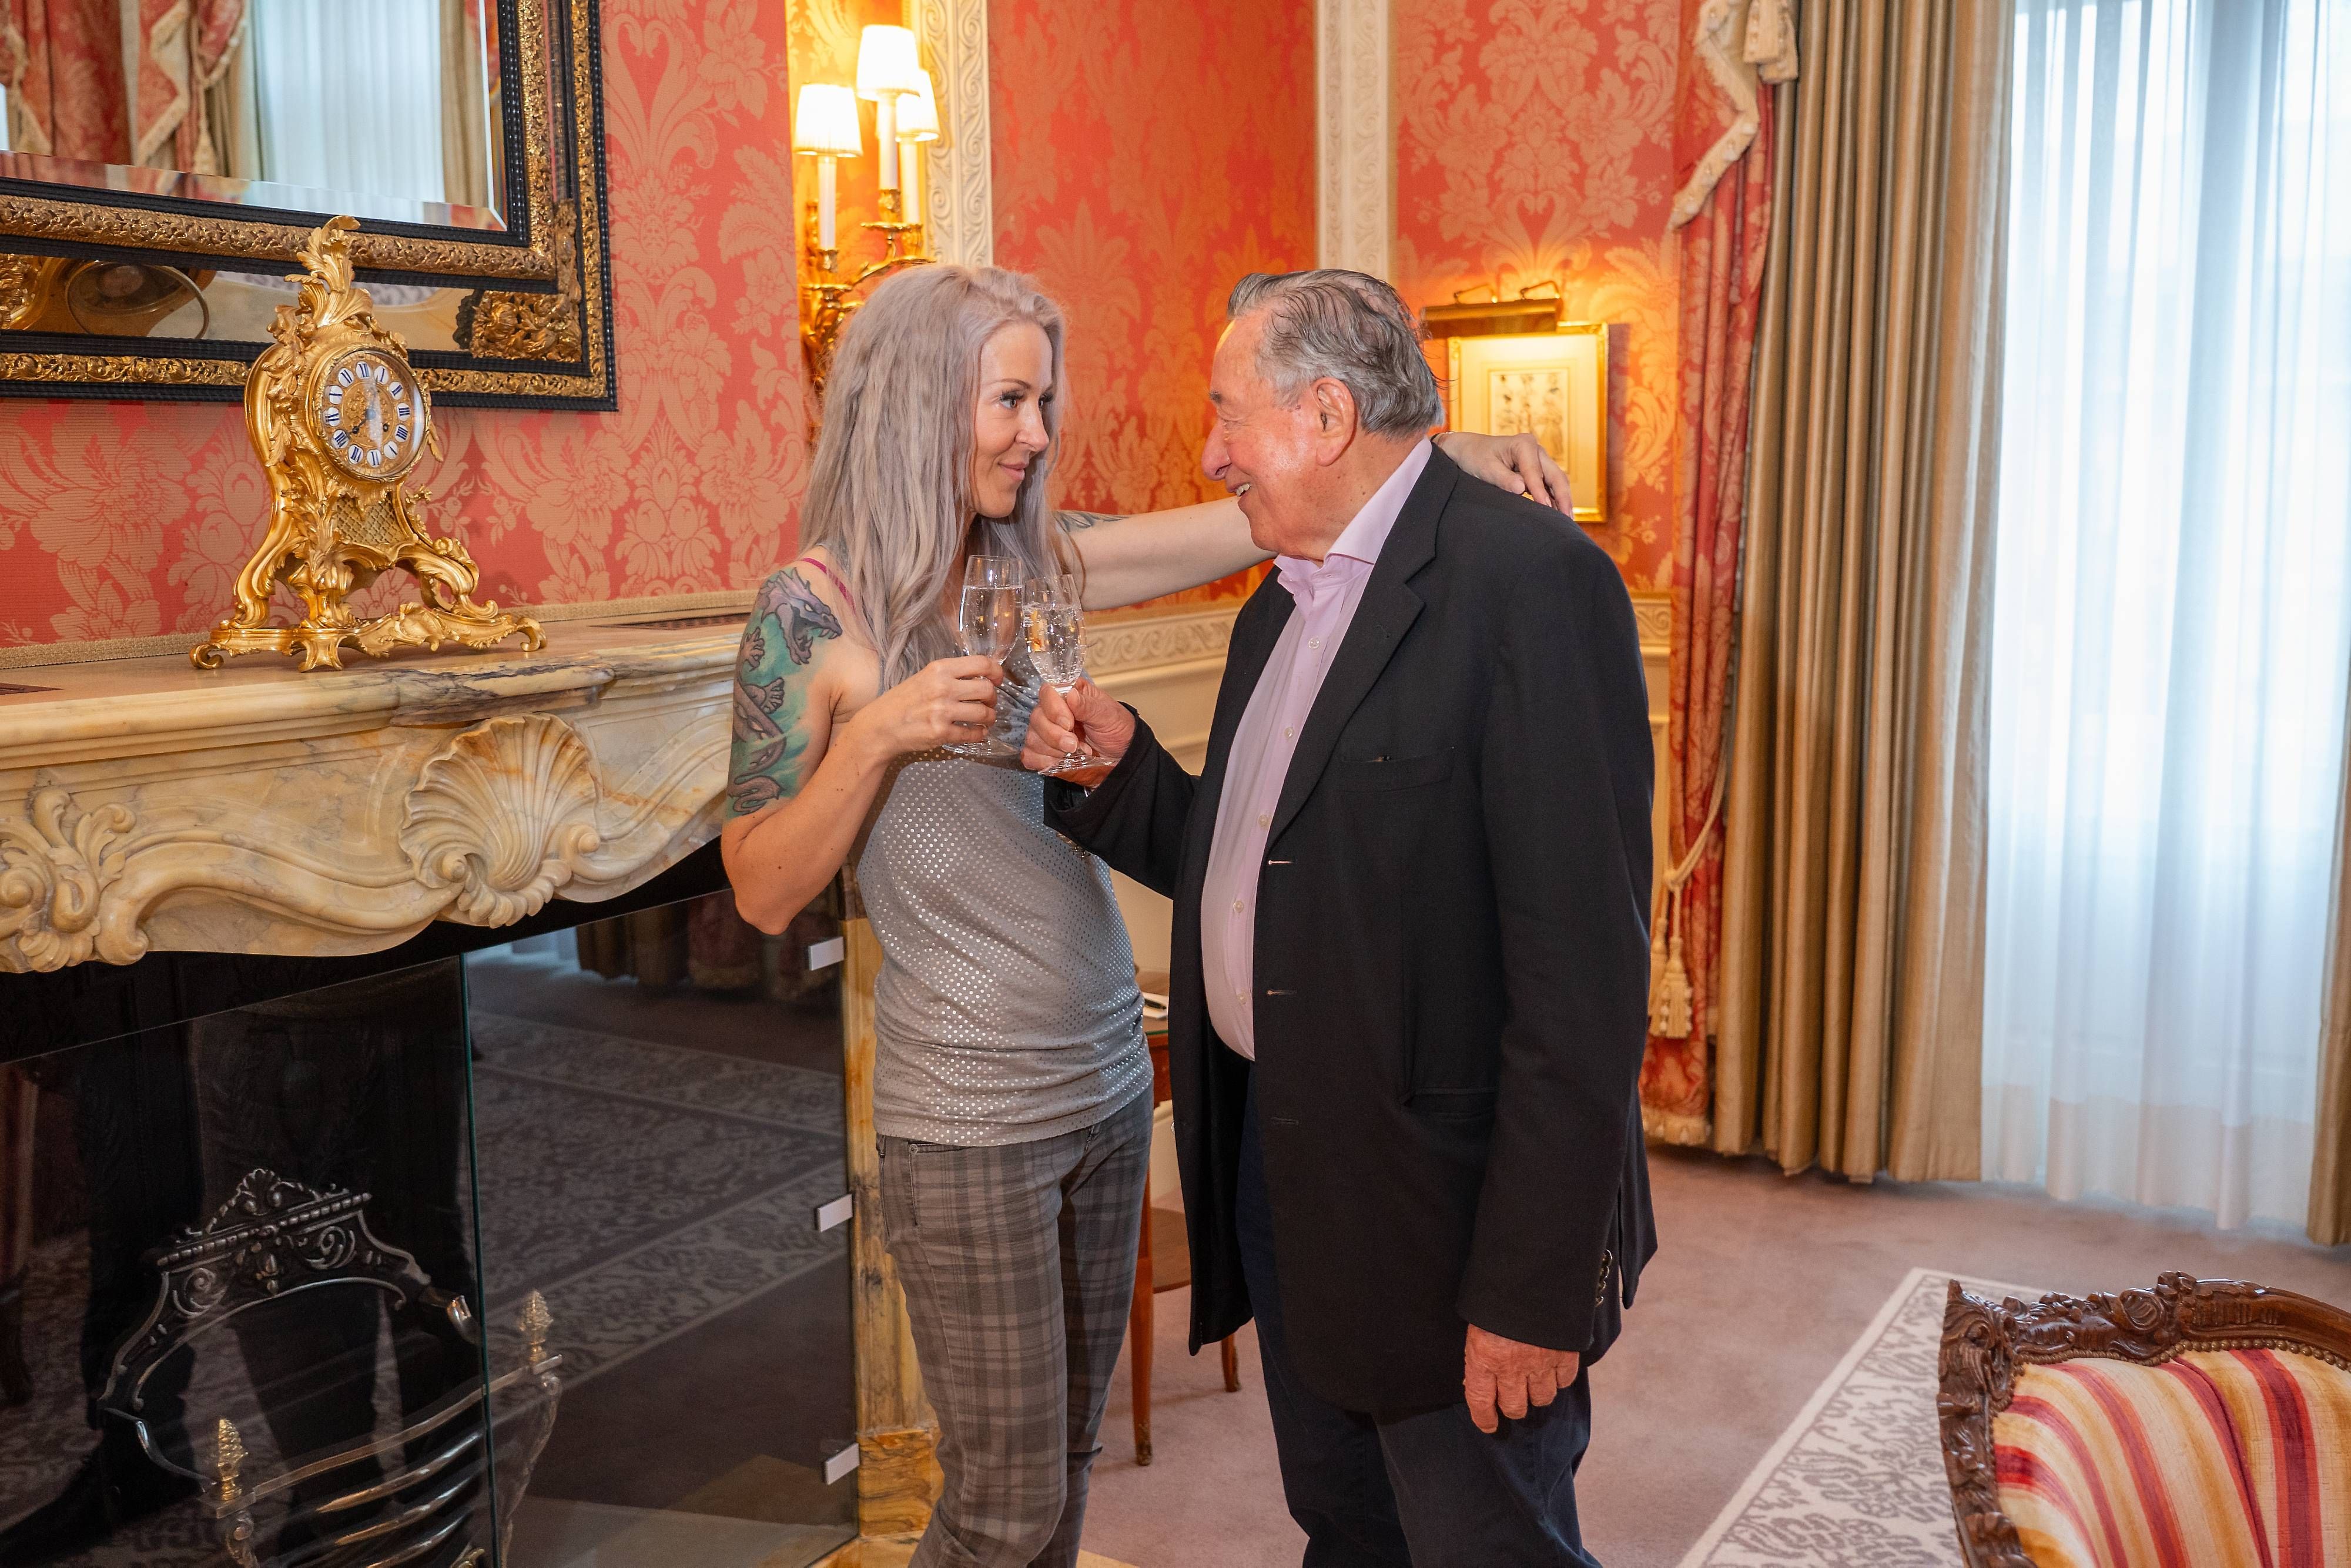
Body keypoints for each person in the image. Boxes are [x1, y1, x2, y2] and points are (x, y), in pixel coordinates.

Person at [718, 262, 1569, 1568]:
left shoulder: (1039, 562)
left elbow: (1278, 502)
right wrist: (879, 734)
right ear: (917, 398)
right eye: (1009, 398)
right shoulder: (806, 613)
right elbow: (764, 884)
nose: (1037, 432)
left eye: (1041, 398)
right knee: (996, 1505)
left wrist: (1458, 453)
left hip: (1110, 1083)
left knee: (1061, 1472)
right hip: (967, 1112)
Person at [1025, 269, 1656, 1567]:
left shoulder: (1528, 584)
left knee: (1489, 1542)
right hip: (1293, 1176)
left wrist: (1530, 1289)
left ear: (1323, 415)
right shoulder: (1282, 596)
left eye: (1225, 415)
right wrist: (1126, 774)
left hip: (1449, 1211)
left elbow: (1582, 984)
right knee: (1349, 1530)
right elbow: (1272, 863)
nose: (1209, 453)